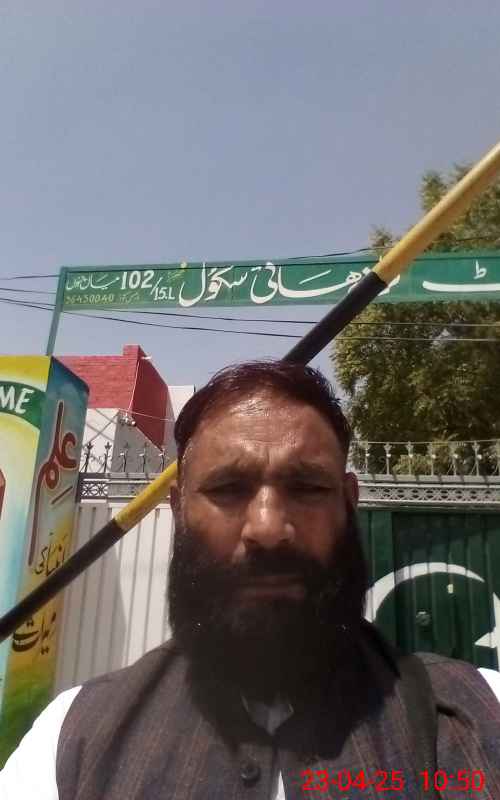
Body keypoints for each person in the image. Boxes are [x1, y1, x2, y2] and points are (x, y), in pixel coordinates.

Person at [2, 360, 500, 800]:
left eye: (307, 487)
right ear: (178, 509)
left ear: (348, 503)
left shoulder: (479, 714)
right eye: (227, 488)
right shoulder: (72, 738)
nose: (267, 528)